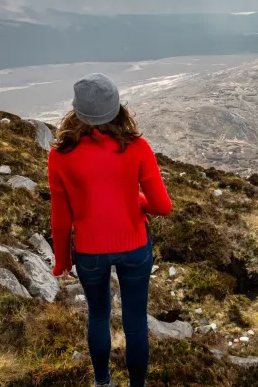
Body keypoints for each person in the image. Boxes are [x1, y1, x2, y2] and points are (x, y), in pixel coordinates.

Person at [48, 73, 173, 387]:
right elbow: (163, 206)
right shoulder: (137, 147)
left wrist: (62, 260)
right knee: (134, 322)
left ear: (76, 111)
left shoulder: (59, 156)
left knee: (99, 316)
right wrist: (137, 200)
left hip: (90, 251)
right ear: (118, 108)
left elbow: (61, 219)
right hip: (134, 246)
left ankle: (103, 382)